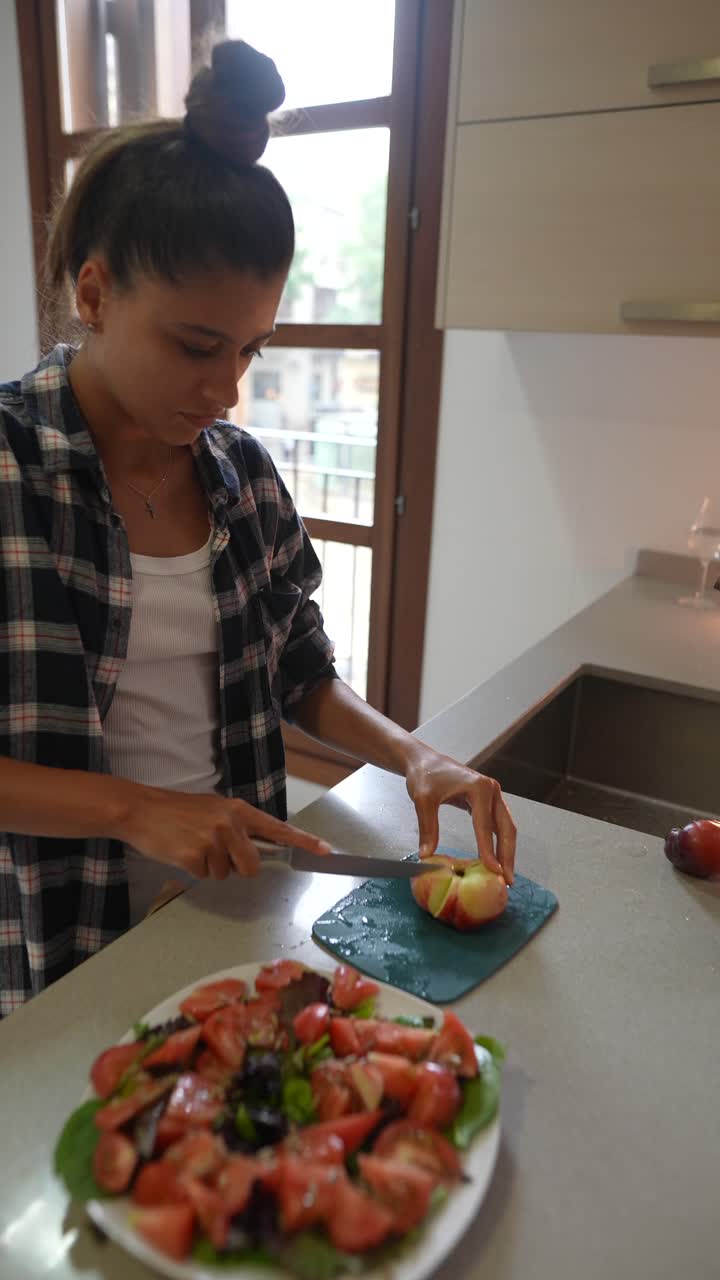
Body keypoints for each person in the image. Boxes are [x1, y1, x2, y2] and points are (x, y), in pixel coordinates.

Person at [0, 40, 515, 1016]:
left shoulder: (238, 476)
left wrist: (413, 753)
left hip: (232, 912)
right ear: (95, 291)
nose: (226, 386)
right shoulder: (11, 469)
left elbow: (301, 675)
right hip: (53, 936)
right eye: (196, 345)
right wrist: (139, 808)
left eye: (248, 347)